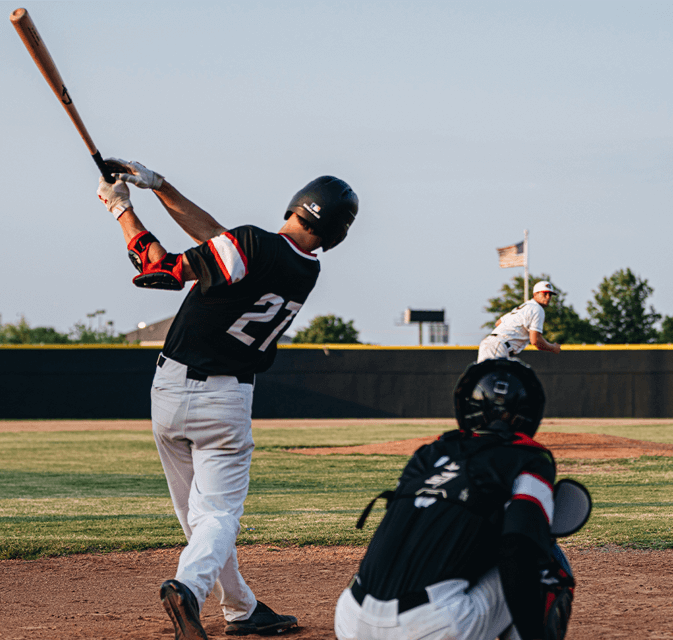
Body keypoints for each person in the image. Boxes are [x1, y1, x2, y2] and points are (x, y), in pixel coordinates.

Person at [96, 159, 358, 640]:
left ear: (297, 203)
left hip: (168, 391)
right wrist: (160, 186)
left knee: (200, 520)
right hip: (224, 401)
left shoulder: (253, 244)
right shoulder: (300, 267)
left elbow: (165, 270)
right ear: (334, 235)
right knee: (215, 516)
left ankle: (239, 608)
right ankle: (191, 592)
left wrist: (120, 211)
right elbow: (221, 237)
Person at [334, 358, 575, 640]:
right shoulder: (530, 457)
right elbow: (518, 548)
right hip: (431, 625)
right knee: (546, 561)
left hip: (351, 619)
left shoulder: (430, 453)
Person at [478, 281, 563, 362]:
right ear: (535, 294)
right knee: (497, 377)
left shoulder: (523, 307)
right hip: (498, 346)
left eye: (550, 295)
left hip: (490, 344)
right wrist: (553, 347)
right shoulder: (537, 308)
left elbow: (498, 323)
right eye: (545, 293)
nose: (548, 297)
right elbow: (535, 340)